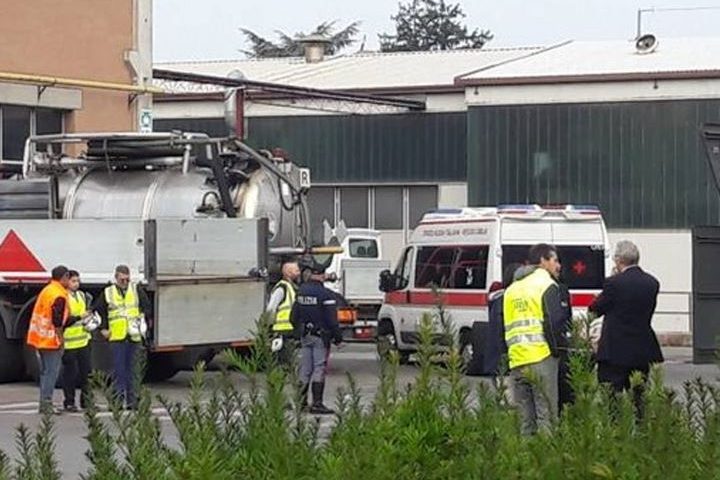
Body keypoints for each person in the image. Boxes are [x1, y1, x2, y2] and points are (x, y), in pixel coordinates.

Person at [589, 240, 663, 415]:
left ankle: (616, 436)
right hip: (641, 349)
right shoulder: (652, 283)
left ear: (618, 260)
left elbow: (596, 308)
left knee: (611, 399)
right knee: (639, 399)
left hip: (614, 350)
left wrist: (602, 292)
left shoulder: (613, 283)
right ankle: (641, 433)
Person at [503, 244, 570, 435]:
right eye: (555, 260)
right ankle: (547, 463)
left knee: (525, 421)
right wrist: (559, 351)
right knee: (547, 416)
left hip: (517, 360)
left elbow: (504, 327)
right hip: (542, 357)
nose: (558, 266)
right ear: (543, 261)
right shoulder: (547, 285)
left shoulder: (512, 290)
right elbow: (554, 322)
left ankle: (526, 462)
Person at [94, 265, 152, 410]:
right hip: (117, 336)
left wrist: (143, 321)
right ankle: (117, 401)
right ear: (116, 277)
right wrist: (103, 329)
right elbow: (99, 310)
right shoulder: (108, 292)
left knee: (134, 370)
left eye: (127, 279)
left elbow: (147, 307)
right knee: (118, 371)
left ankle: (133, 401)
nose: (125, 281)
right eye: (122, 279)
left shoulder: (136, 289)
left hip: (134, 336)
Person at [291, 260, 342, 415]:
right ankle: (317, 403)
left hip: (305, 335)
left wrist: (298, 331)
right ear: (321, 275)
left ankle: (301, 403)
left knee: (305, 369)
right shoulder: (325, 294)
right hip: (320, 336)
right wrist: (338, 337)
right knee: (319, 368)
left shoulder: (301, 292)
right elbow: (332, 320)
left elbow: (293, 317)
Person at [27, 265, 70, 415]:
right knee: (51, 373)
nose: (69, 281)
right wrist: (60, 337)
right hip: (51, 340)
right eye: (68, 278)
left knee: (45, 372)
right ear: (64, 277)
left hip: (40, 337)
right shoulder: (59, 294)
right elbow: (57, 318)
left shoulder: (47, 290)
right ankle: (46, 404)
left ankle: (44, 403)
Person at [61, 270, 94, 412]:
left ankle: (87, 401)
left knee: (87, 373)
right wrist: (81, 316)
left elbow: (85, 313)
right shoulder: (64, 297)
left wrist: (89, 319)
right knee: (70, 374)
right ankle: (69, 402)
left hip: (84, 340)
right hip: (69, 342)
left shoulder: (81, 295)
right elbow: (64, 320)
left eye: (78, 281)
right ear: (67, 281)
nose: (76, 284)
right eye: (73, 281)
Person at [484, 262, 523, 376]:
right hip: (504, 364)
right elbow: (500, 333)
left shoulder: (499, 299)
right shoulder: (507, 301)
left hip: (496, 362)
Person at [266, 260, 300, 363]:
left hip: (289, 330)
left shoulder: (291, 287)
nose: (299, 273)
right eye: (296, 270)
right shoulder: (281, 288)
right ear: (288, 273)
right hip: (281, 331)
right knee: (282, 361)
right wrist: (268, 327)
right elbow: (271, 308)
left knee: (289, 361)